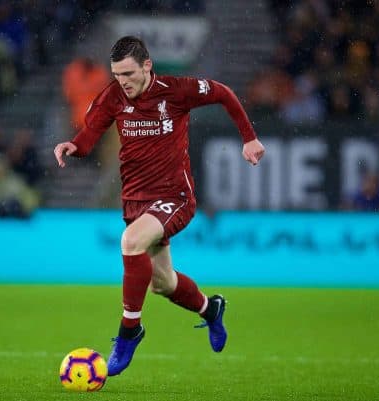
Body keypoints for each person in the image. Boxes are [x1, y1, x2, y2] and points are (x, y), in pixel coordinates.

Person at [53, 36, 265, 376]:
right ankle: (211, 309)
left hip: (174, 197)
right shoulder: (114, 96)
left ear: (147, 66)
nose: (123, 82)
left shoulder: (177, 91)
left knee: (131, 242)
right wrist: (72, 146)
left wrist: (249, 137)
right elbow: (90, 134)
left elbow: (223, 92)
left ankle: (129, 332)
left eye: (129, 73)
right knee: (162, 282)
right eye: (117, 74)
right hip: (136, 200)